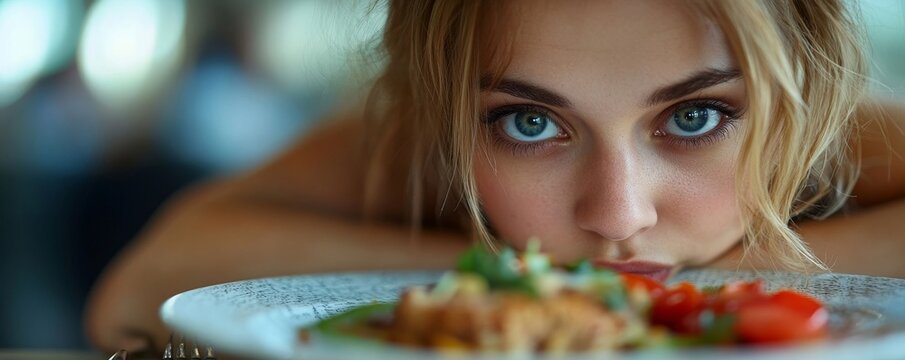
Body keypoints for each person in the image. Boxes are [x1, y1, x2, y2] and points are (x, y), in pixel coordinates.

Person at [86, 0, 905, 353]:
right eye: (531, 123)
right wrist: (520, 291)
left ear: (806, 98)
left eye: (693, 118)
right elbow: (135, 295)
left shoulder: (825, 134)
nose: (616, 213)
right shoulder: (426, 148)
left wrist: (710, 285)